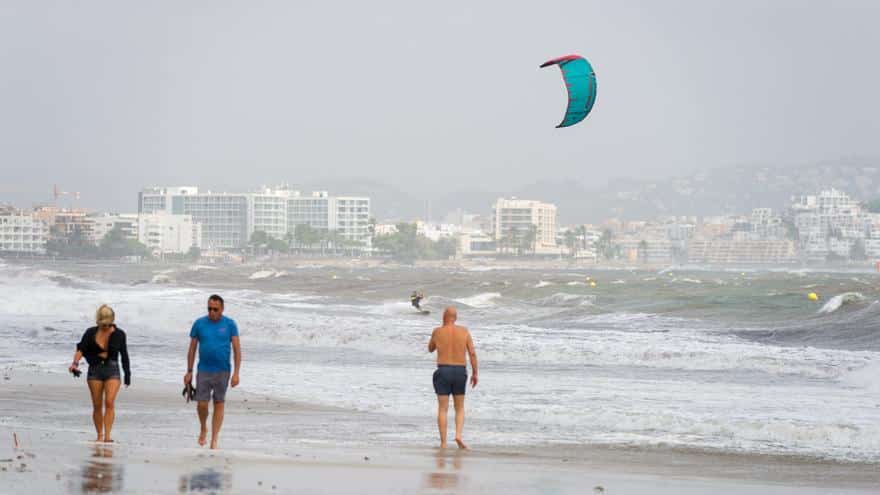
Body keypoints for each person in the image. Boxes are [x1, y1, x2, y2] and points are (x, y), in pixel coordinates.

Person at [183, 294, 241, 450]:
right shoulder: (199, 324)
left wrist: (236, 373)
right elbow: (192, 349)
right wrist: (189, 371)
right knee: (202, 404)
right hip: (203, 370)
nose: (212, 312)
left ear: (222, 309)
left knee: (219, 403)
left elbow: (236, 349)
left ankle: (214, 439)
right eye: (209, 309)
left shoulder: (230, 324)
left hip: (223, 371)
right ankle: (203, 427)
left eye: (215, 309)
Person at [69, 304, 131, 443]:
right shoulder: (90, 332)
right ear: (98, 321)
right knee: (97, 405)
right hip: (95, 371)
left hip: (112, 370)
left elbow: (124, 355)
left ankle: (108, 436)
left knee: (109, 402)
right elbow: (81, 349)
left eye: (108, 325)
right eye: (102, 325)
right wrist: (75, 363)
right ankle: (99, 435)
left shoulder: (119, 334)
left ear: (112, 321)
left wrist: (127, 374)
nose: (105, 327)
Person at [428, 307, 478, 449]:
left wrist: (440, 334)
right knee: (460, 407)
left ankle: (443, 443)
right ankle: (458, 435)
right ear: (455, 318)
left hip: (443, 371)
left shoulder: (437, 331)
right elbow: (472, 353)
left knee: (443, 409)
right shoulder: (464, 331)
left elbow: (430, 348)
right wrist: (475, 373)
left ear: (444, 316)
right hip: (460, 371)